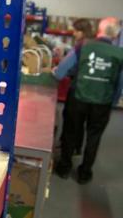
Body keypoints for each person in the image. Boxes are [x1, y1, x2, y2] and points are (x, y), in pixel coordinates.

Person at [53, 17, 123, 184]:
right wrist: (111, 102)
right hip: (102, 102)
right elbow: (120, 84)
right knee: (94, 136)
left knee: (71, 131)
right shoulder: (120, 54)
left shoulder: (82, 47)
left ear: (99, 30)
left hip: (78, 98)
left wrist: (57, 73)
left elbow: (61, 72)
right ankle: (85, 173)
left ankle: (64, 168)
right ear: (116, 34)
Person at [59, 19, 94, 156]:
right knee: (81, 124)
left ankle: (66, 157)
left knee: (71, 122)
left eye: (76, 31)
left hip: (77, 90)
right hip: (90, 91)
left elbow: (63, 69)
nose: (73, 34)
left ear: (83, 31)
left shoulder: (80, 46)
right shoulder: (94, 45)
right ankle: (77, 149)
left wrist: (57, 72)